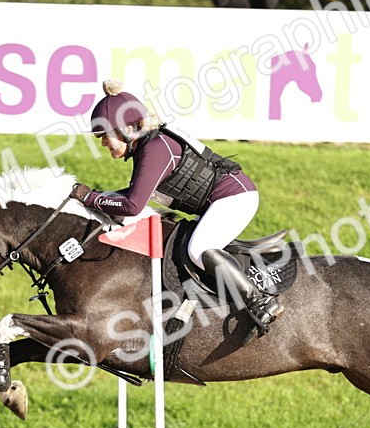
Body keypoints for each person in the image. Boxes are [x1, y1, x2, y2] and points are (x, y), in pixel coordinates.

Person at [70, 80, 284, 345]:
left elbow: (133, 205)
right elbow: (132, 195)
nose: (103, 142)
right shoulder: (148, 146)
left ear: (126, 129)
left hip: (235, 198)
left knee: (199, 249)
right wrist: (92, 200)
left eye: (105, 135)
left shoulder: (156, 148)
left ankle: (260, 300)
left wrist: (91, 197)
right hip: (219, 202)